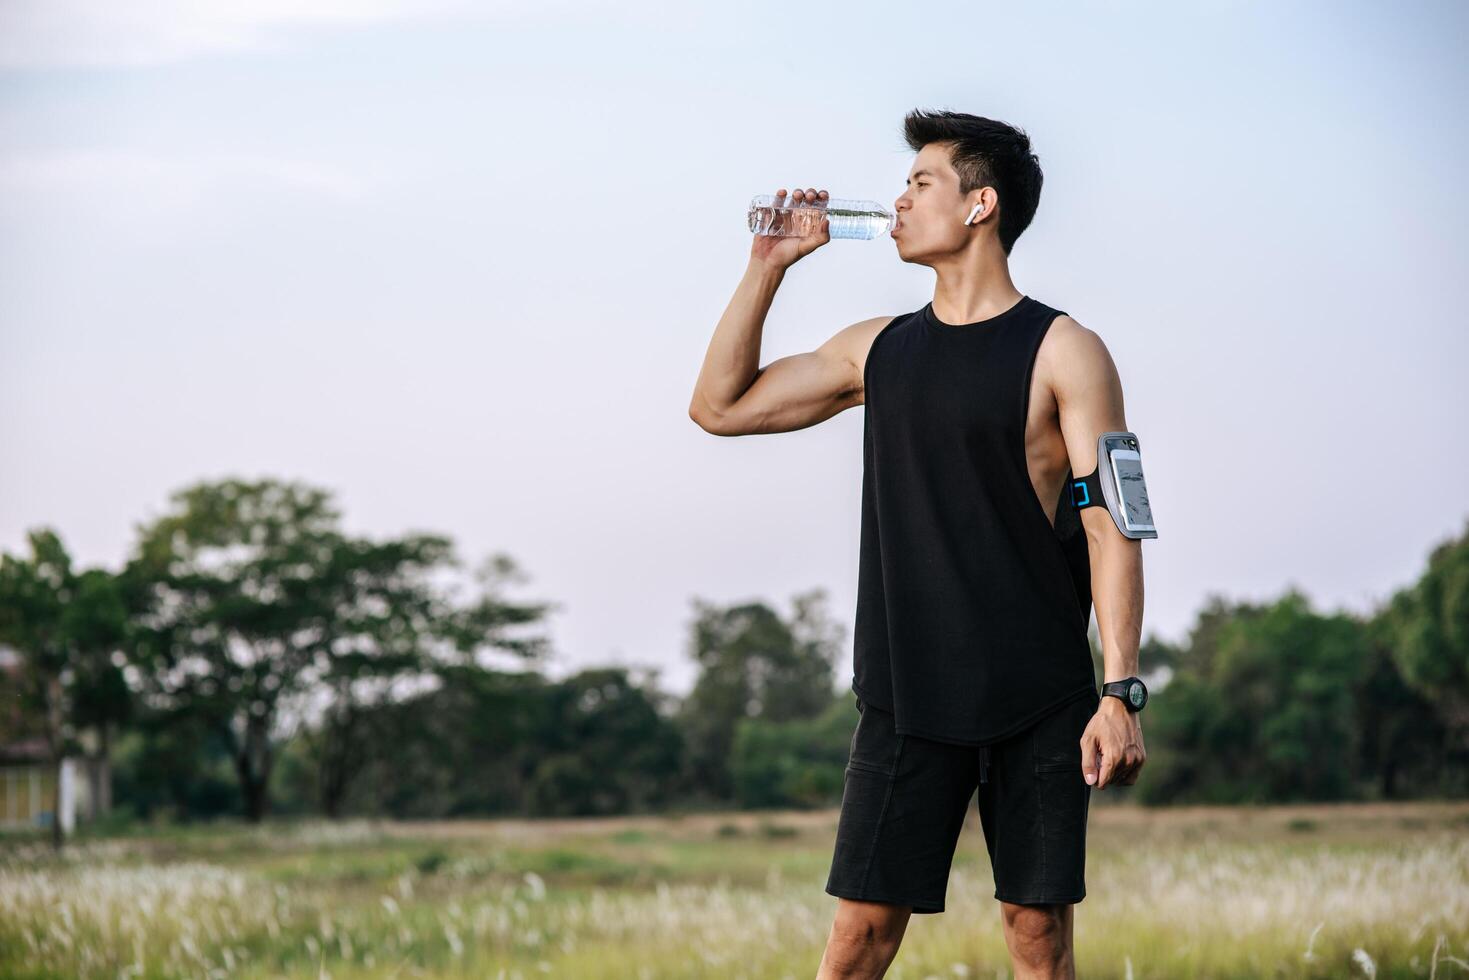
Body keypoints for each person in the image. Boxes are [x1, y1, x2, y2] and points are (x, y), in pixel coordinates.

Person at [687, 109, 1149, 979]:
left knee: (1036, 937)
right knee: (858, 938)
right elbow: (719, 408)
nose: (896, 202)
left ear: (980, 205)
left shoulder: (1066, 351)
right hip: (904, 695)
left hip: (1038, 697)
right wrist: (766, 270)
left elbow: (1112, 521)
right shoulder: (877, 350)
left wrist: (1119, 689)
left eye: (919, 183)